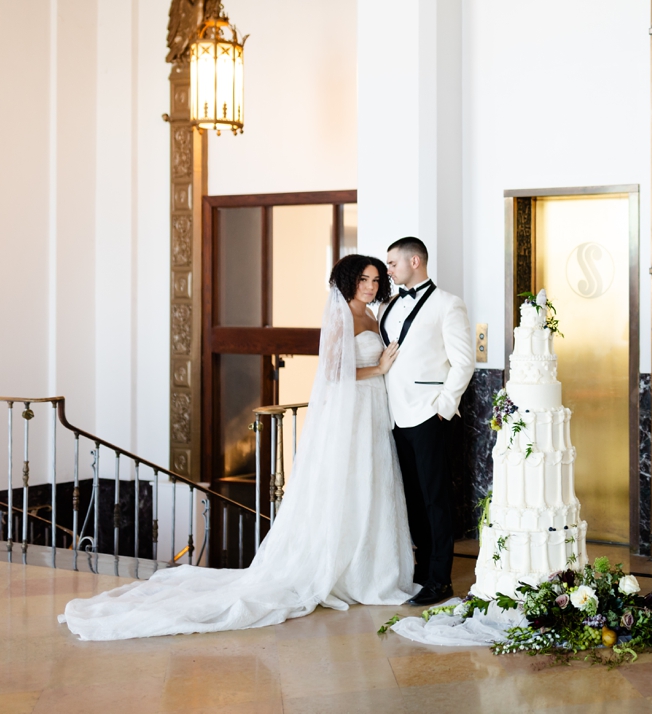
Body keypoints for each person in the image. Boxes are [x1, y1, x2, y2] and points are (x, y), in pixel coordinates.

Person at [59, 255, 419, 640]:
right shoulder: (341, 317)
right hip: (352, 411)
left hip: (373, 411)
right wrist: (378, 370)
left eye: (377, 280)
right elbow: (333, 372)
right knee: (350, 482)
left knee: (373, 483)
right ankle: (341, 569)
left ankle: (369, 568)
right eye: (364, 279)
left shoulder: (375, 315)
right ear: (348, 281)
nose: (371, 286)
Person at [381, 237, 475, 606]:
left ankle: (441, 580)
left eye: (392, 263)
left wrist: (444, 406)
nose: (388, 270)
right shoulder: (388, 306)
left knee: (436, 499)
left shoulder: (448, 304)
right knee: (413, 498)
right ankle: (422, 570)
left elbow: (463, 361)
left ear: (414, 261)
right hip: (394, 414)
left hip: (428, 413)